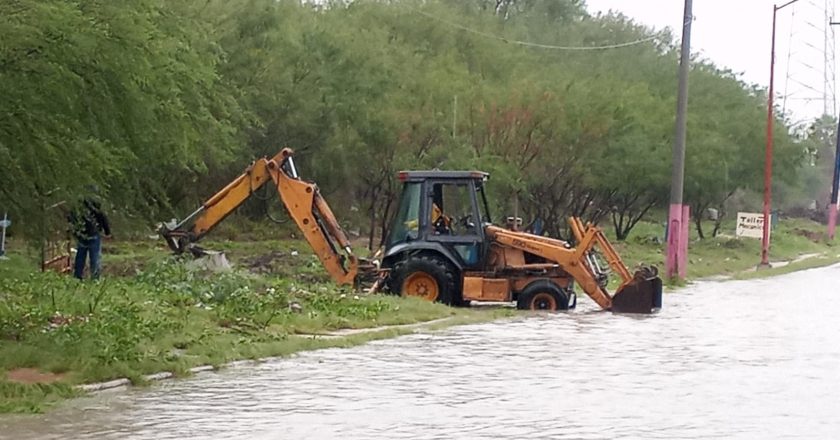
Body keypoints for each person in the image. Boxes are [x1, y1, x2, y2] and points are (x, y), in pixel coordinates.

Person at [68, 191, 111, 280]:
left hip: (82, 235)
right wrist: (107, 232)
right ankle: (95, 278)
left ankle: (77, 276)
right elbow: (103, 218)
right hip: (94, 234)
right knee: (95, 258)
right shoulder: (96, 206)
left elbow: (71, 217)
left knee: (80, 257)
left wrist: (74, 231)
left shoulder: (79, 207)